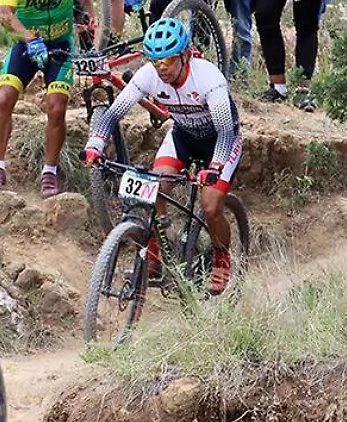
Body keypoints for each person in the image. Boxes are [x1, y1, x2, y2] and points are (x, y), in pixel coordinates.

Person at [83, 18, 242, 294]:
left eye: (167, 60)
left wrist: (214, 166)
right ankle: (156, 252)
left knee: (211, 206)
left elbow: (226, 131)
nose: (161, 68)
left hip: (221, 141)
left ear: (185, 55)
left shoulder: (208, 77)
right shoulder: (149, 75)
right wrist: (95, 144)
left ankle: (221, 257)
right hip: (182, 137)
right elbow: (113, 113)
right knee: (153, 190)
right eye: (155, 61)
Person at [0, 0, 125, 198]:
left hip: (61, 44)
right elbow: (4, 14)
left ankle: (49, 171)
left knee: (57, 106)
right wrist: (29, 38)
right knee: (3, 98)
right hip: (27, 44)